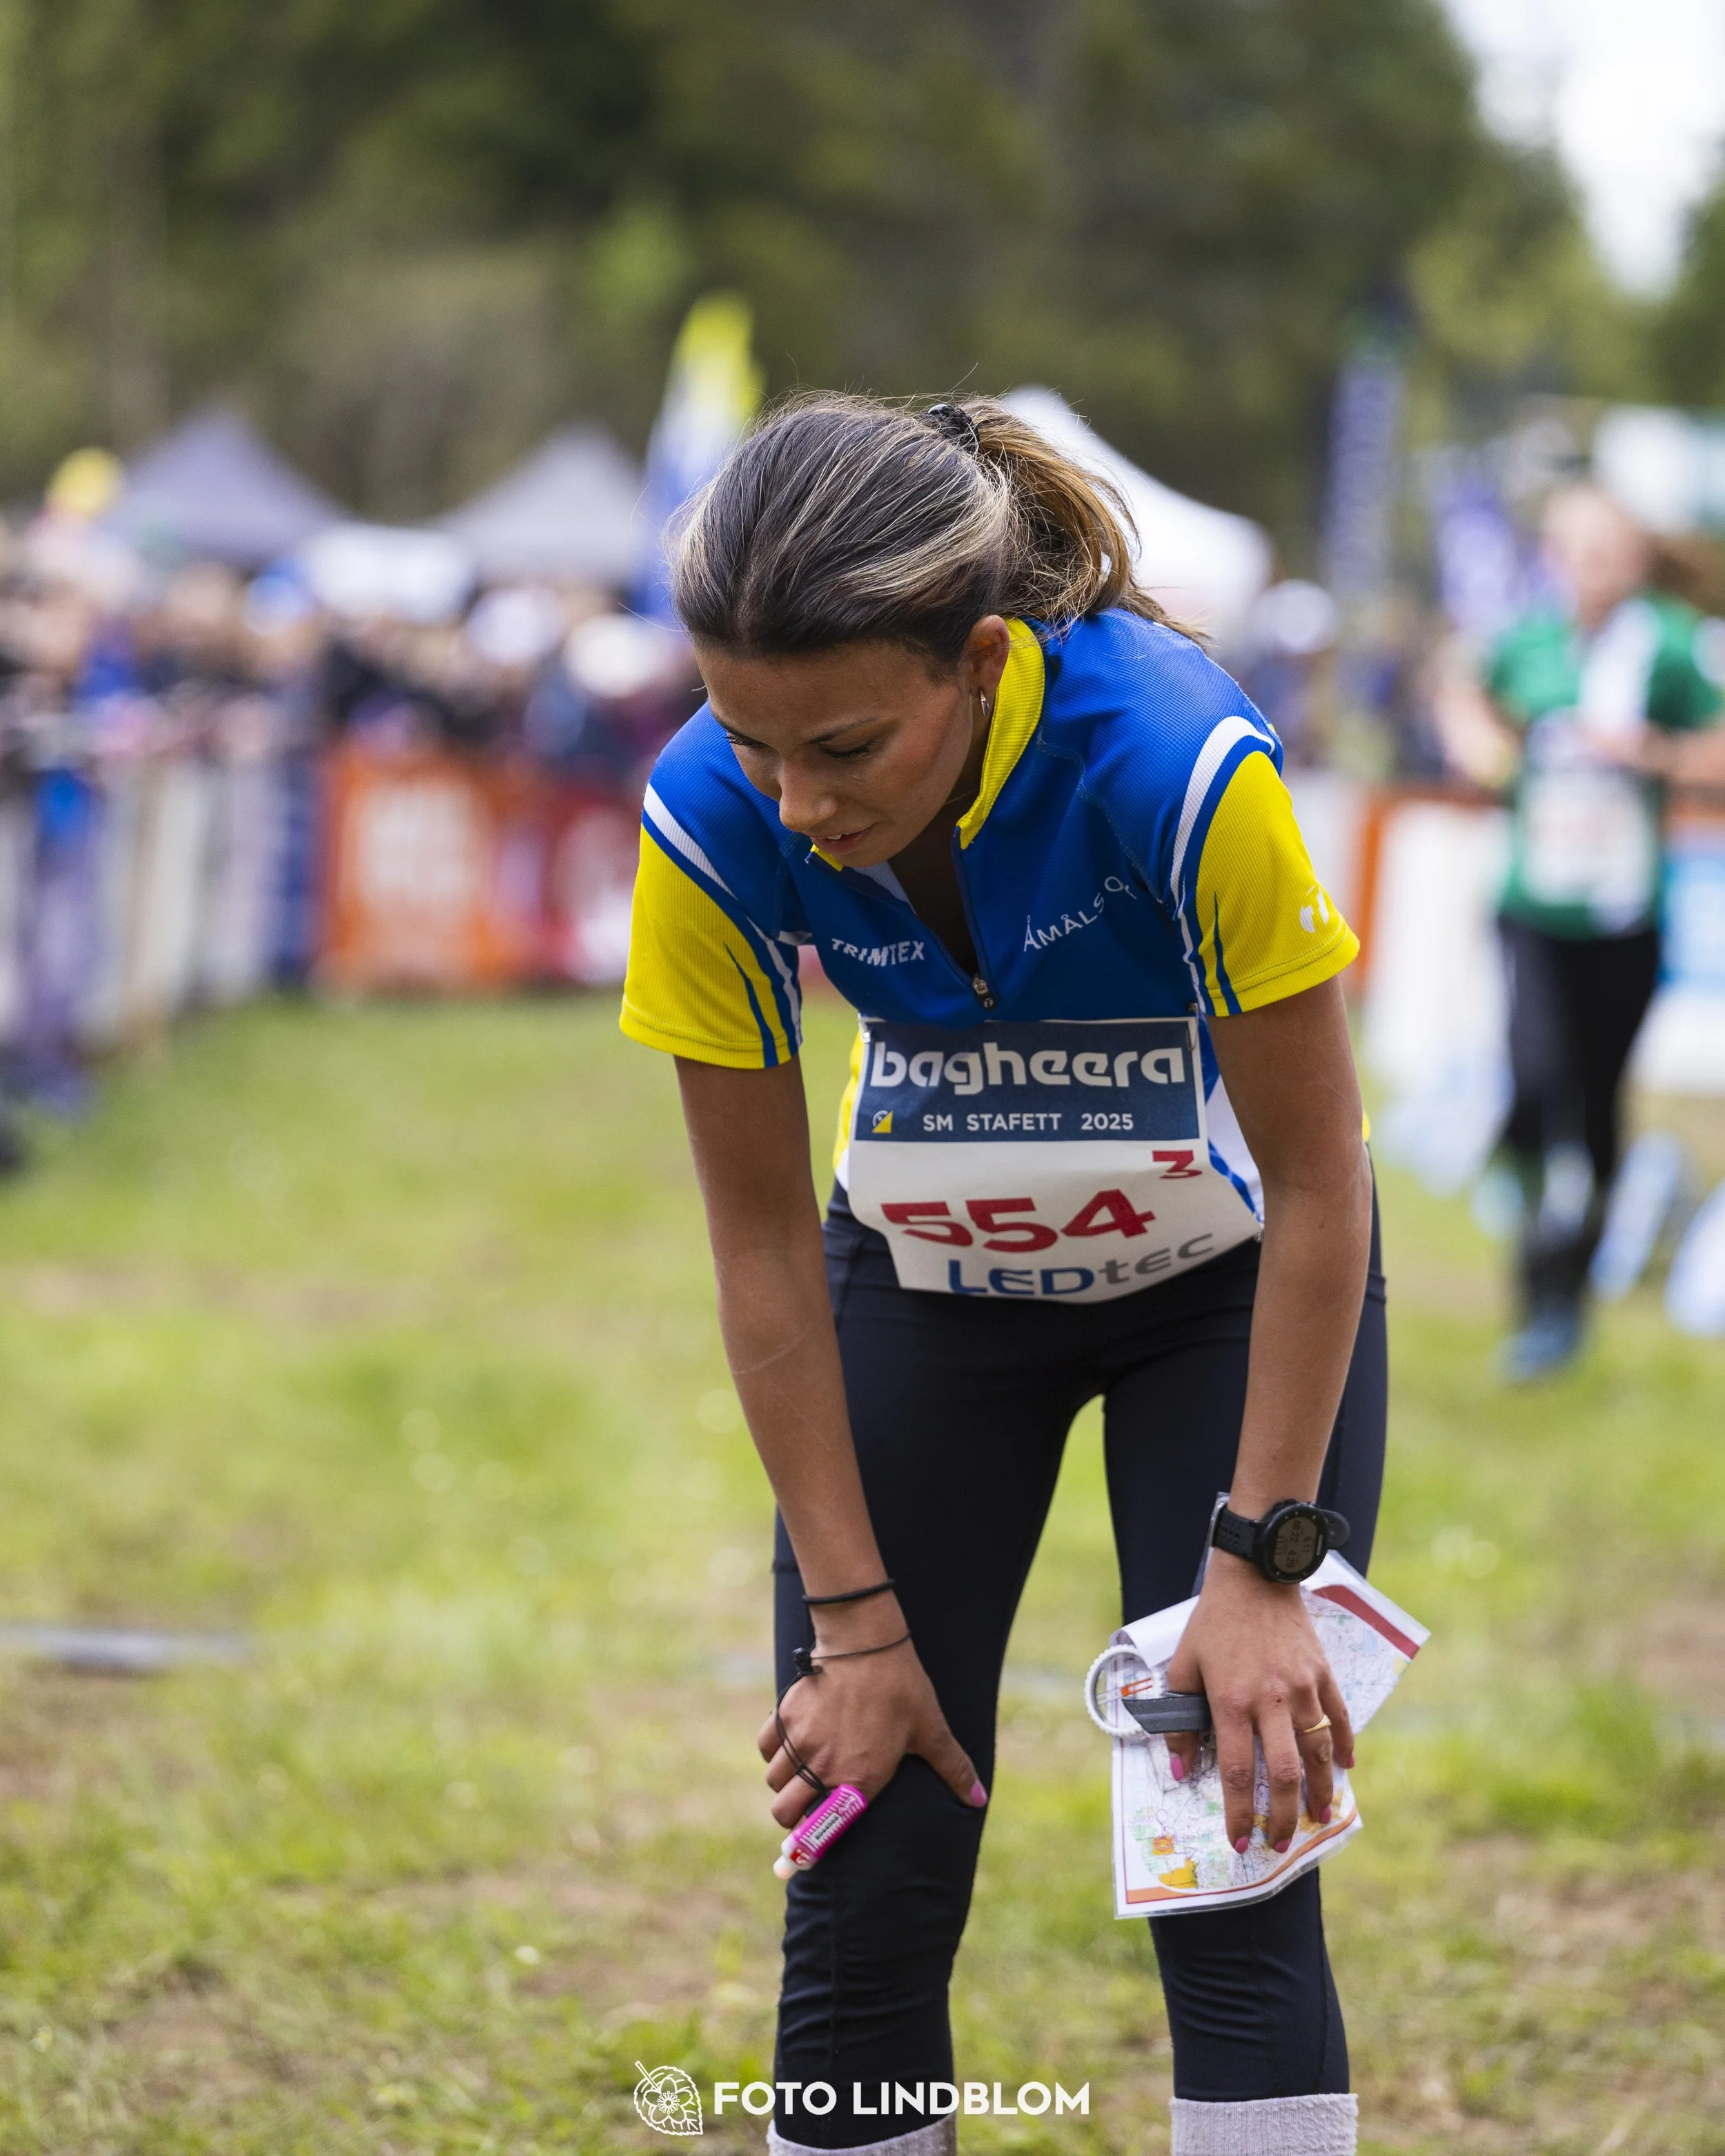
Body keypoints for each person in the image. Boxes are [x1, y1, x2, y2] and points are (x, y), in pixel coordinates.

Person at [620, 395, 1385, 2156]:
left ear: (978, 658)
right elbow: (755, 1245)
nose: (798, 804)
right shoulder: (703, 814)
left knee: (1228, 1841)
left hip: (1227, 1285)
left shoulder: (1175, 760)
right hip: (930, 1283)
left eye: (846, 747)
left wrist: (1265, 1558)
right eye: (753, 741)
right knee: (862, 1848)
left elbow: (1324, 1183)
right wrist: (851, 1622)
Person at [1435, 483, 1725, 1381]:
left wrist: (1657, 756)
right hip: (1534, 910)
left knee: (1595, 1107)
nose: (1594, 568)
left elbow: (1715, 749)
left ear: (1636, 561)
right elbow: (1460, 689)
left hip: (1626, 917)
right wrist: (1482, 745)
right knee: (1534, 1086)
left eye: (1612, 552)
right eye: (1579, 551)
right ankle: (1531, 1259)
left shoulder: (1669, 648)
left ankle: (1563, 1305)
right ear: (1555, 556)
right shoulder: (1528, 640)